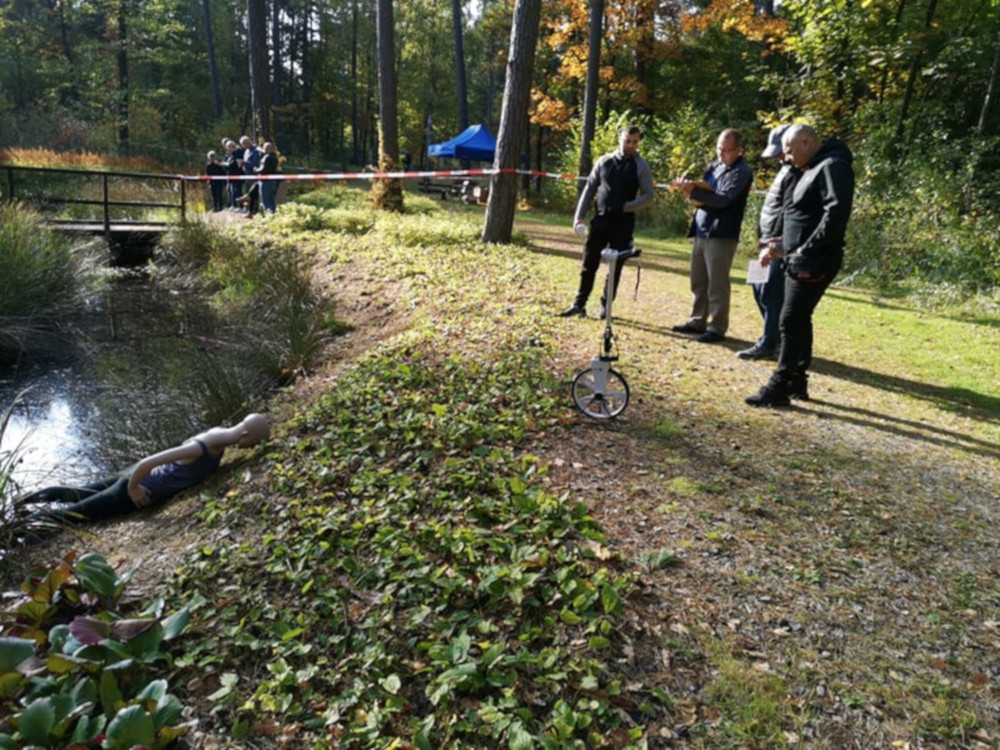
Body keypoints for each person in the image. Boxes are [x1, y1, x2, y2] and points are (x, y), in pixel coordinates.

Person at [746, 124, 855, 407]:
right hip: (796, 255)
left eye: (791, 150)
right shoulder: (809, 166)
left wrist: (806, 248)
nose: (787, 157)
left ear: (807, 142)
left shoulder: (833, 166)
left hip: (814, 259)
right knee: (799, 319)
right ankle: (797, 381)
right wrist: (779, 244)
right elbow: (797, 212)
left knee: (790, 319)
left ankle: (779, 386)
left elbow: (836, 214)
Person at [21, 413, 270, 525]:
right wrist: (135, 489)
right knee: (72, 515)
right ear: (245, 433)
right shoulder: (201, 447)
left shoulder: (221, 435)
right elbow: (148, 462)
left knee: (77, 493)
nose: (252, 447)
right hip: (132, 489)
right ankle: (19, 530)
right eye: (254, 442)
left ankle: (21, 508)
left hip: (134, 480)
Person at [556, 124, 655, 319]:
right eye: (627, 141)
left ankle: (605, 307)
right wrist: (578, 217)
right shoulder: (604, 161)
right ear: (620, 139)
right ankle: (579, 304)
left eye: (635, 142)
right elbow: (589, 189)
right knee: (589, 263)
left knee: (615, 266)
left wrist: (627, 206)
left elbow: (649, 196)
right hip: (600, 220)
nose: (631, 145)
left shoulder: (641, 166)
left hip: (624, 224)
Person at [671, 128, 753, 343]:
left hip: (722, 233)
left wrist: (693, 191)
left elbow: (723, 199)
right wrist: (690, 190)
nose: (721, 154)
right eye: (719, 149)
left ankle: (717, 327)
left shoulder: (742, 172)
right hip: (702, 228)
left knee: (717, 283)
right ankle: (698, 320)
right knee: (698, 280)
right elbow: (705, 196)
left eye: (726, 150)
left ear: (739, 150)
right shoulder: (714, 167)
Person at [737, 124, 795, 360]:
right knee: (757, 286)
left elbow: (789, 211)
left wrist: (778, 243)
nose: (778, 157)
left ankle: (768, 342)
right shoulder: (785, 170)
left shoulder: (797, 172)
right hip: (765, 241)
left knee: (771, 293)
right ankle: (775, 336)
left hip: (776, 245)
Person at [239, 135, 262, 216]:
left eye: (244, 144)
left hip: (254, 176)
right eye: (242, 145)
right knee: (248, 194)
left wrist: (244, 163)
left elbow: (255, 164)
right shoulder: (246, 152)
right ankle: (248, 210)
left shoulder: (256, 151)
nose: (244, 146)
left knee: (254, 195)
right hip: (247, 176)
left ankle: (254, 211)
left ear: (249, 142)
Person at [256, 142, 280, 214]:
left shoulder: (266, 157)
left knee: (265, 200)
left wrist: (255, 169)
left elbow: (263, 169)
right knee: (272, 199)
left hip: (265, 181)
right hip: (273, 181)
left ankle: (268, 215)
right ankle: (273, 214)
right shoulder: (275, 157)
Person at [223, 139, 244, 210]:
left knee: (237, 191)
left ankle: (239, 206)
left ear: (233, 146)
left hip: (237, 176)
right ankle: (233, 205)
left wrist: (226, 164)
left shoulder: (239, 153)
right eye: (227, 147)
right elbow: (227, 164)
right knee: (231, 191)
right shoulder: (229, 155)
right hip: (230, 176)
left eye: (229, 147)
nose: (228, 149)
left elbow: (233, 164)